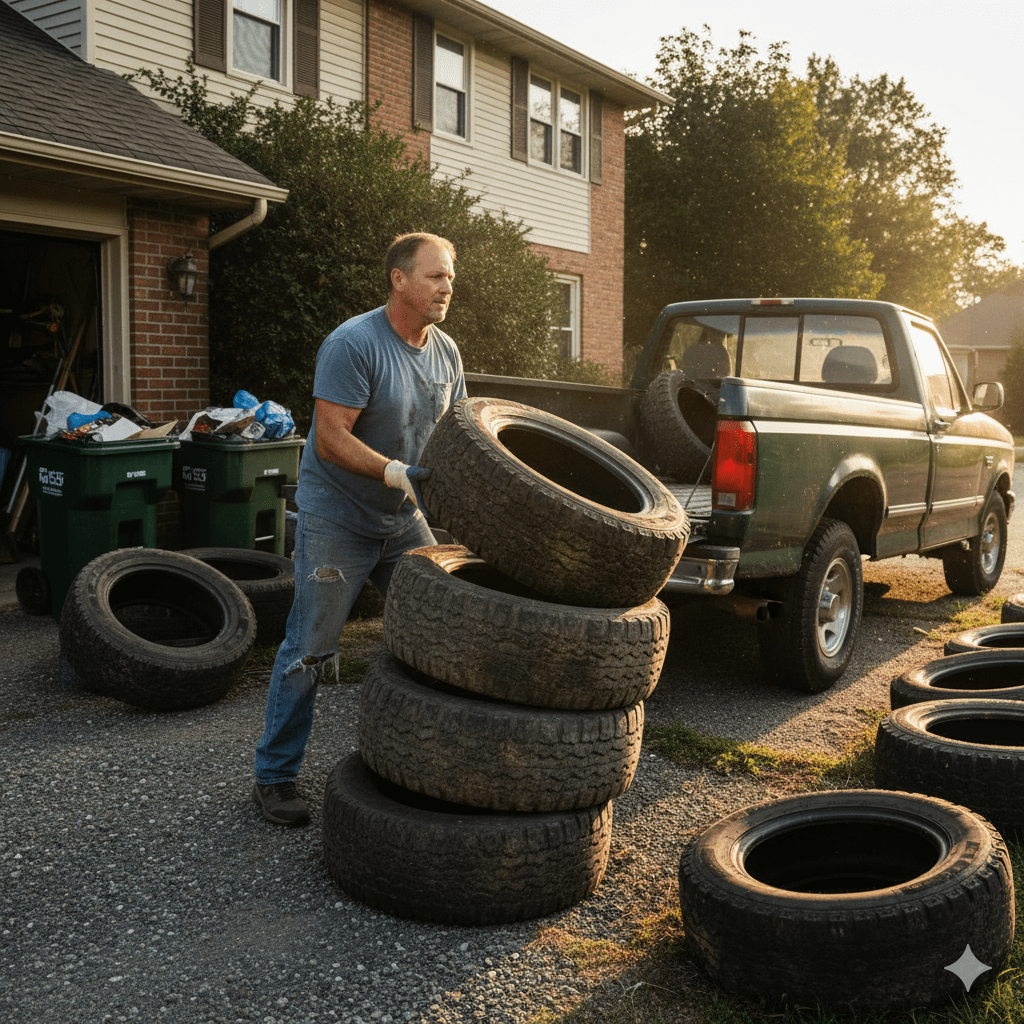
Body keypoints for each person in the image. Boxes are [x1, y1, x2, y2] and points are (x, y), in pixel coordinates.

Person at [253, 232, 466, 826]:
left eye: (450, 276)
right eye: (435, 276)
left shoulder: (445, 351)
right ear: (399, 280)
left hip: (401, 520)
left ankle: (422, 763)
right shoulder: (353, 344)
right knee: (313, 647)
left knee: (444, 627)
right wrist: (397, 471)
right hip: (337, 516)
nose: (448, 286)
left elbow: (454, 433)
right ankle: (275, 775)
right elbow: (330, 438)